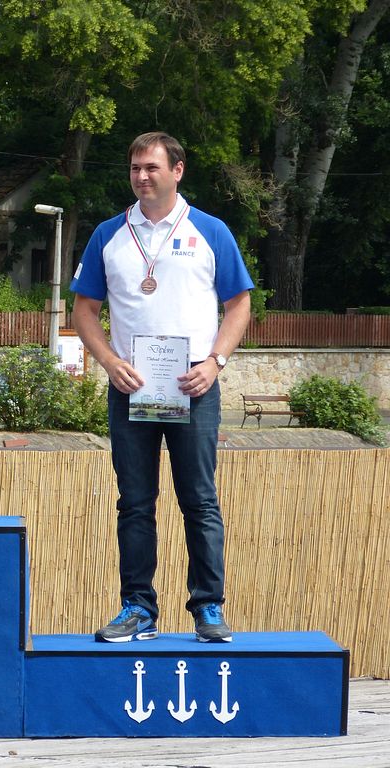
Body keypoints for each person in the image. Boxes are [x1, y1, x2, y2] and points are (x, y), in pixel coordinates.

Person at [70, 131, 253, 643]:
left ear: (177, 170)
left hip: (193, 384)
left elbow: (239, 304)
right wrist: (109, 362)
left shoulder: (211, 231)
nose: (141, 176)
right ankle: (138, 608)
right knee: (134, 502)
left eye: (151, 167)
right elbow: (84, 310)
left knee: (199, 500)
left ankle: (208, 608)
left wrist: (215, 362)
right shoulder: (109, 233)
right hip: (132, 384)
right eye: (135, 168)